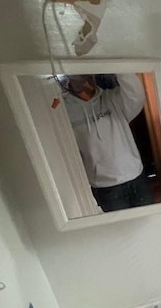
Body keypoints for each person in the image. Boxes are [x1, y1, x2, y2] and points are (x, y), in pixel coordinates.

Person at [63, 73, 154, 212]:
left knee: (151, 223)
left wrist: (114, 64)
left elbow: (136, 94)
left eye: (87, 74)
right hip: (105, 188)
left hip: (136, 177)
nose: (85, 79)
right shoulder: (64, 110)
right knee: (121, 231)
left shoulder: (113, 99)